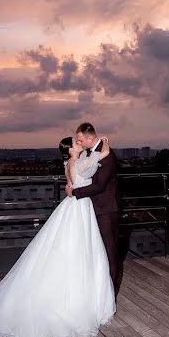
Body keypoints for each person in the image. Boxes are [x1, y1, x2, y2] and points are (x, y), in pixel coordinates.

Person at [0, 136, 116, 337]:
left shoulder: (70, 163)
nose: (80, 144)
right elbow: (99, 159)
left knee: (72, 249)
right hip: (79, 208)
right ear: (70, 151)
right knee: (78, 249)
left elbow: (92, 161)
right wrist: (104, 143)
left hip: (75, 206)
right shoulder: (78, 163)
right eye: (76, 143)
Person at [65, 122, 122, 298]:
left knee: (109, 251)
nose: (79, 143)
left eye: (81, 140)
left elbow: (99, 186)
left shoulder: (106, 154)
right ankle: (99, 290)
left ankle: (111, 293)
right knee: (98, 251)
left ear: (90, 138)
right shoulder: (92, 152)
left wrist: (75, 192)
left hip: (106, 209)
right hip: (92, 209)